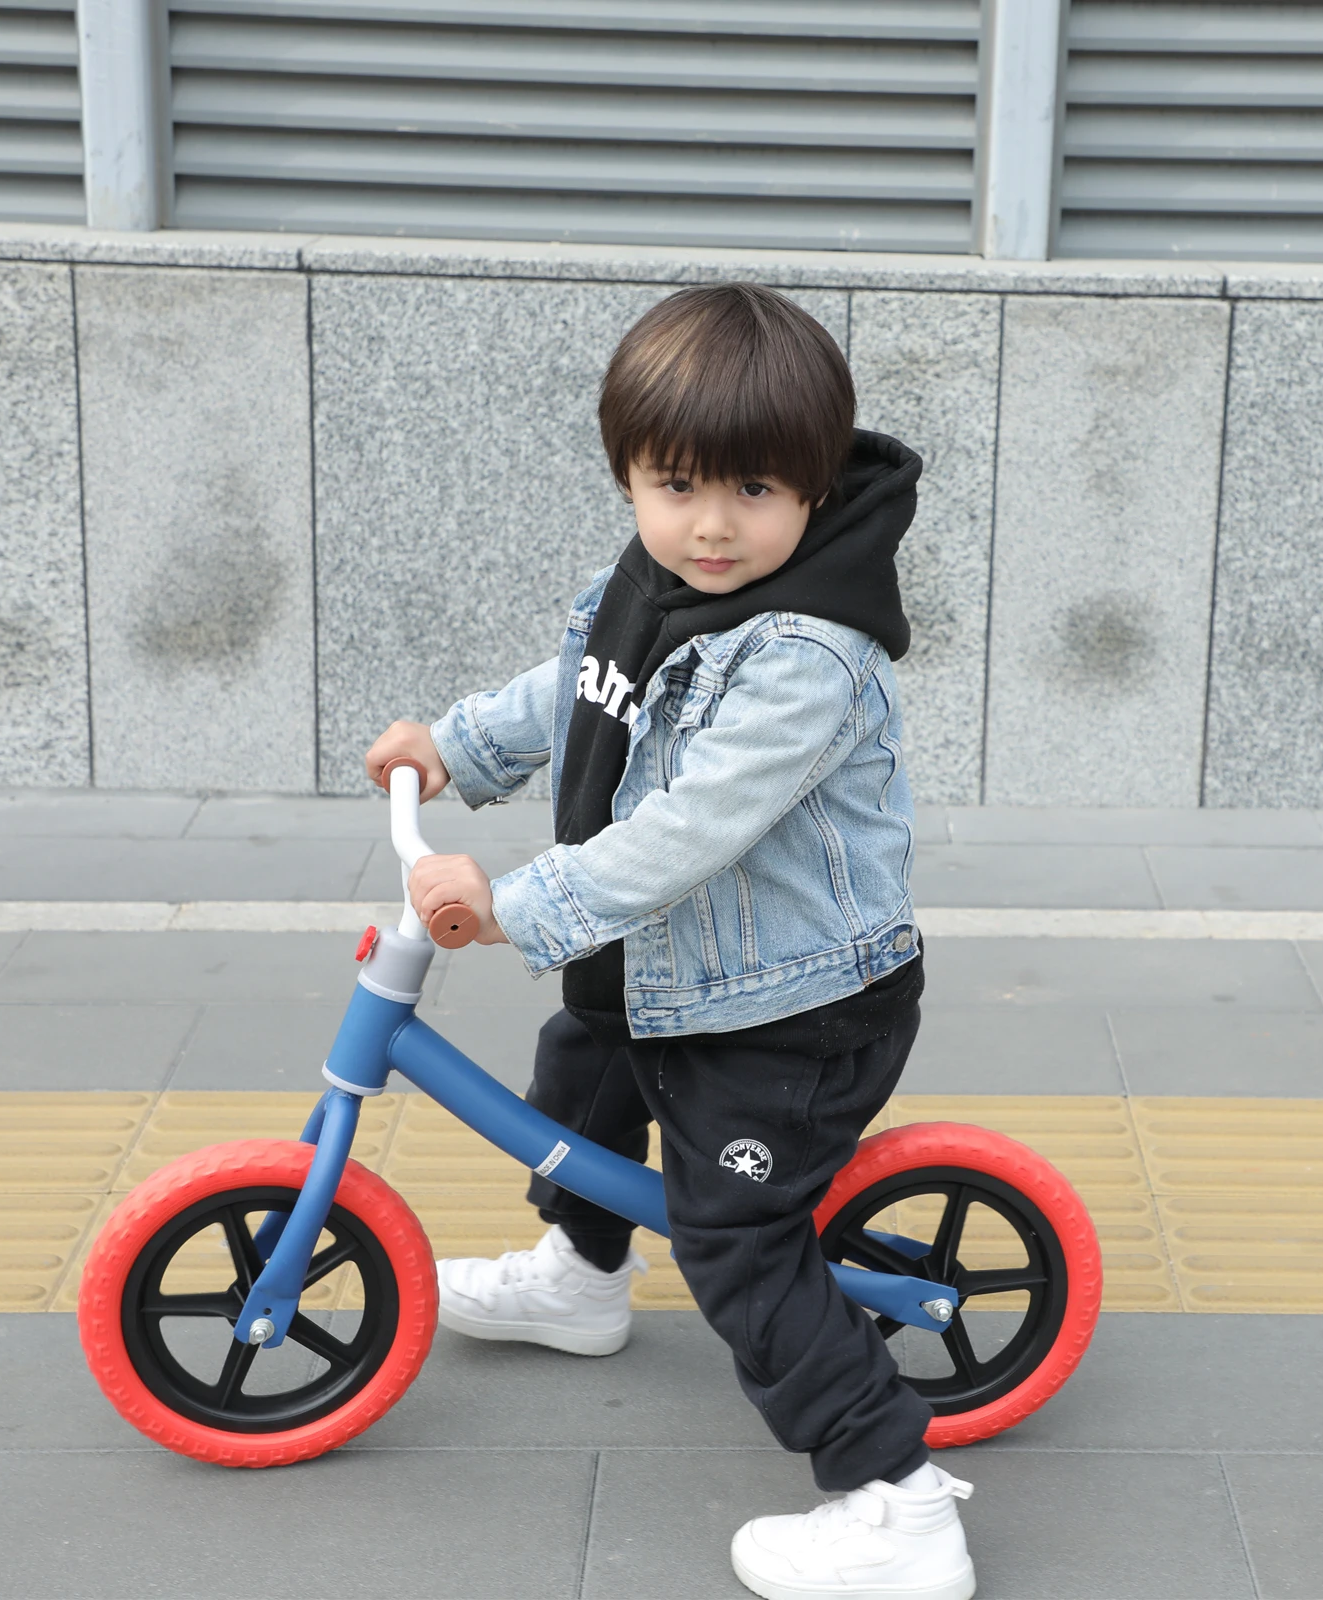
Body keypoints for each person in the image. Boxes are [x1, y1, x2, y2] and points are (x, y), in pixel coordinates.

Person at [364, 283, 975, 1600]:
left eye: (752, 489)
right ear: (630, 477)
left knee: (736, 1238)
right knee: (578, 1076)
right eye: (676, 483)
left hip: (786, 1014)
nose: (708, 524)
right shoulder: (653, 582)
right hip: (660, 973)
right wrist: (459, 745)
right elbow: (575, 678)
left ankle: (900, 1503)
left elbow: (692, 829)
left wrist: (513, 904)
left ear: (811, 490)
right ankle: (581, 1279)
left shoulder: (809, 657)